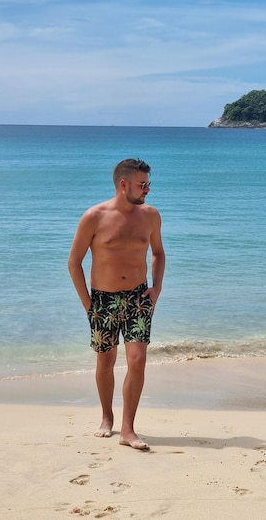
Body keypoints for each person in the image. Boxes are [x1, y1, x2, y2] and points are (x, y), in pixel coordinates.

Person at [68, 158, 165, 451]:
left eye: (148, 184)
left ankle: (128, 429)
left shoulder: (151, 216)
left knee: (137, 360)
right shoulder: (94, 216)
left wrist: (156, 288)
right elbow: (74, 263)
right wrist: (89, 304)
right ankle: (106, 417)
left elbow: (158, 253)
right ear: (124, 185)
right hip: (102, 300)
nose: (148, 189)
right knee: (106, 360)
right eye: (142, 184)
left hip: (138, 299)